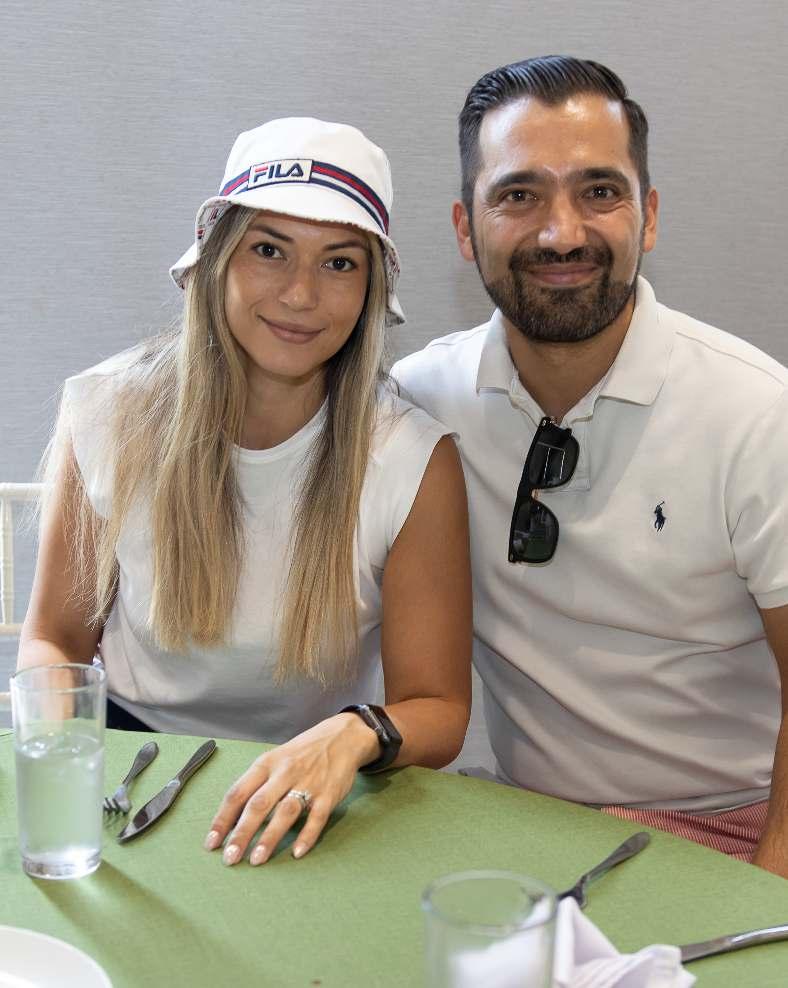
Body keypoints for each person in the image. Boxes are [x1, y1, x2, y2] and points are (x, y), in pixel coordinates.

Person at [19, 117, 472, 866]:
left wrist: (355, 734)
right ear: (217, 259)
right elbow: (56, 642)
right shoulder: (106, 413)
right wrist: (63, 754)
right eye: (269, 250)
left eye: (339, 262)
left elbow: (439, 708)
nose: (300, 294)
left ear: (370, 290)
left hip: (320, 777)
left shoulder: (413, 458)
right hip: (127, 761)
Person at [392, 56, 788, 879]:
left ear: (648, 216)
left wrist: (766, 900)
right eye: (519, 195)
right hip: (526, 821)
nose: (562, 233)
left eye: (599, 191)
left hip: (735, 826)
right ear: (465, 228)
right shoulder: (422, 402)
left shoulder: (758, 414)